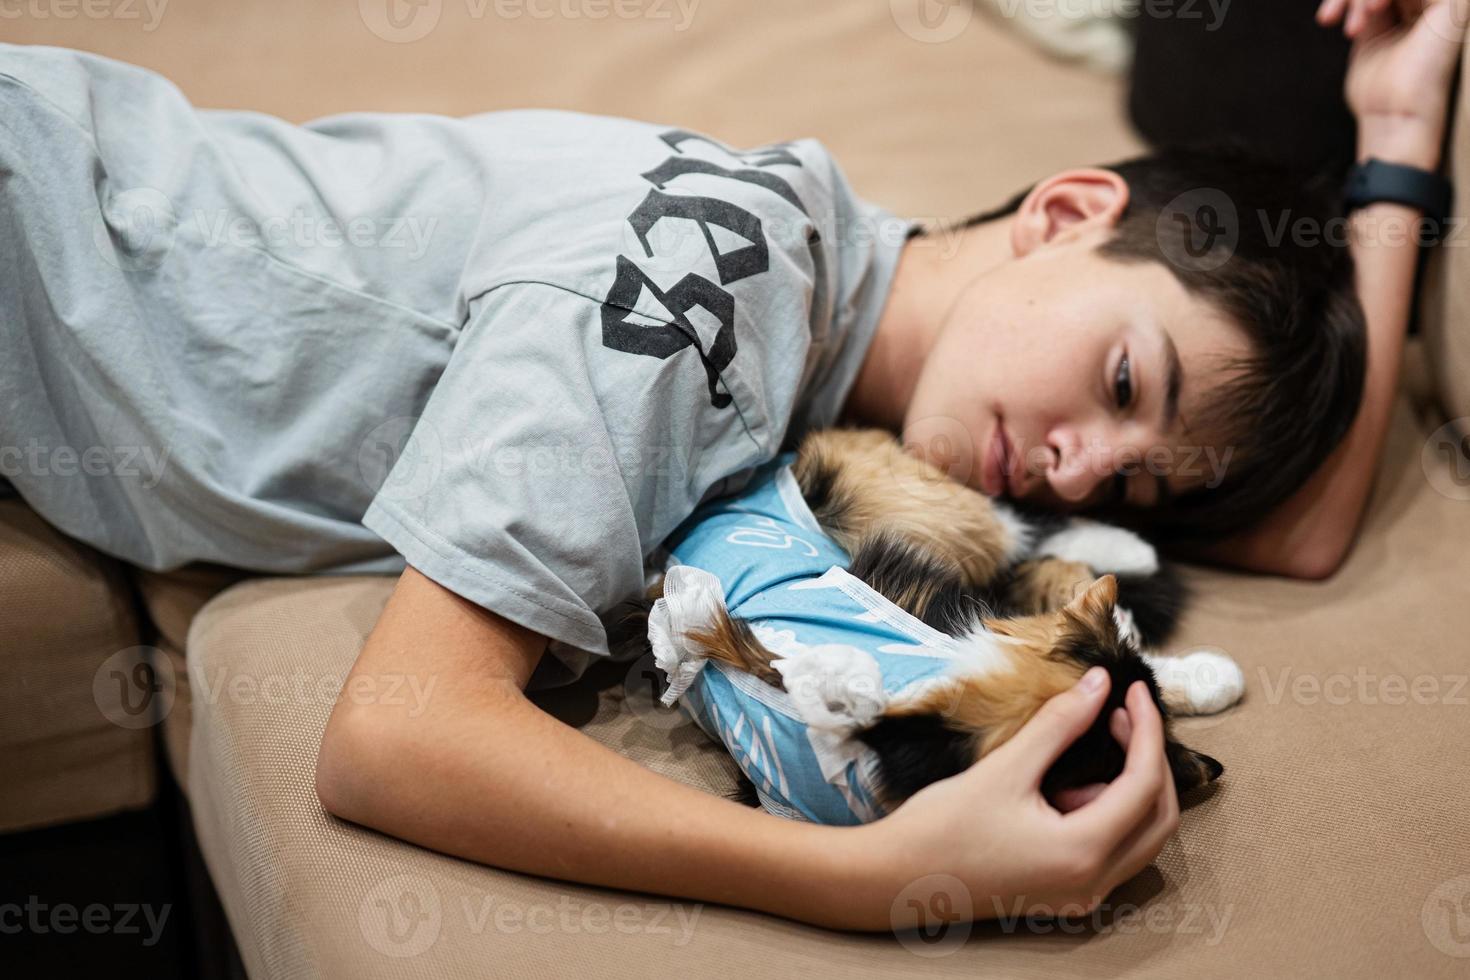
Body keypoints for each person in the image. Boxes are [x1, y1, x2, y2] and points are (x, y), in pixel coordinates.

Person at [0, 0, 1461, 930]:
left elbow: (1299, 537)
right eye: (1123, 382)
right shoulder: (717, 306)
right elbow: (394, 739)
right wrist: (871, 880)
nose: (1079, 474)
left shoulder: (839, 317)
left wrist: (1393, 137)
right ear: (1066, 207)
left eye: (1134, 485)